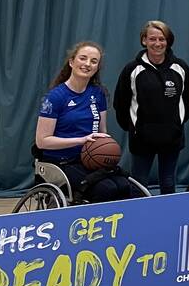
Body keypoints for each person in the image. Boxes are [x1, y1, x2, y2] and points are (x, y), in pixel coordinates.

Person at [34, 41, 137, 202]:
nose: (87, 64)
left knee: (124, 186)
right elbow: (42, 142)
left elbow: (102, 132)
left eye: (93, 61)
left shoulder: (98, 94)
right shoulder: (55, 97)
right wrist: (81, 140)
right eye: (83, 58)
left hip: (90, 159)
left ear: (97, 67)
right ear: (71, 62)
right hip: (62, 161)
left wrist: (107, 149)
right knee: (106, 189)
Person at [114, 20, 189, 194]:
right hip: (142, 139)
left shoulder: (180, 68)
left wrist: (176, 124)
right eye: (152, 39)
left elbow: (188, 101)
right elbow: (120, 103)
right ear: (144, 40)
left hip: (172, 137)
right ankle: (138, 219)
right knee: (138, 185)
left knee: (168, 183)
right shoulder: (132, 69)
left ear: (168, 41)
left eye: (162, 39)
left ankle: (169, 220)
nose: (157, 43)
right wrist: (134, 128)